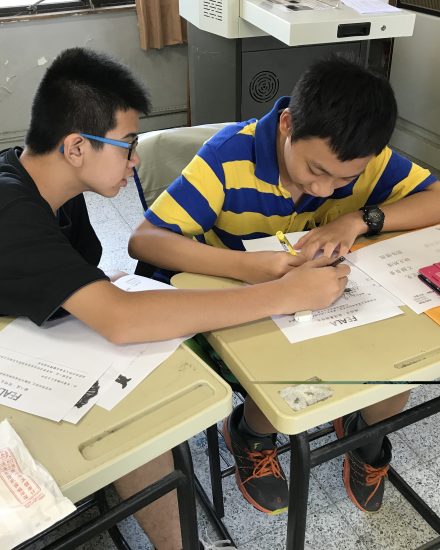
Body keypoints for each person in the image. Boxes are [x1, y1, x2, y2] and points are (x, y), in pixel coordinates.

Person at [0, 48, 349, 550]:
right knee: (131, 414)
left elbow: (71, 283)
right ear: (76, 147)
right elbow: (121, 319)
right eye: (127, 145)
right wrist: (282, 295)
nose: (135, 160)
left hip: (26, 338)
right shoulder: (12, 208)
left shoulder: (55, 196)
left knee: (137, 407)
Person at [129, 56, 440, 516]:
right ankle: (252, 433)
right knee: (285, 365)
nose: (325, 188)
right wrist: (247, 267)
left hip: (328, 295)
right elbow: (145, 240)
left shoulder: (364, 155)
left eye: (345, 178)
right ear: (287, 124)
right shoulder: (228, 157)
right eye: (316, 169)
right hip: (246, 298)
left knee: (403, 351)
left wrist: (359, 219)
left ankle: (366, 432)